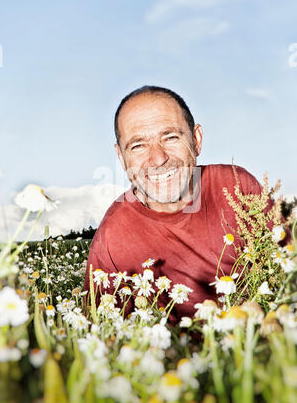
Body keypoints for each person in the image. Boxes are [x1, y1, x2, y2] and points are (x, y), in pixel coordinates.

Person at [84, 85, 264, 324]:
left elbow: (285, 271)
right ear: (121, 158)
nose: (158, 158)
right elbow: (102, 334)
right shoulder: (112, 240)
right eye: (138, 145)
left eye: (170, 137)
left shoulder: (236, 187)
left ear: (196, 140)